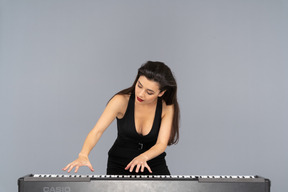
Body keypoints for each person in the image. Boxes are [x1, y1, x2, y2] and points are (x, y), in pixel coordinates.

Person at [63, 61, 180, 175]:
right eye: (139, 86)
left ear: (161, 93)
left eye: (149, 92)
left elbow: (161, 144)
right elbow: (97, 131)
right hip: (120, 164)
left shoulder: (167, 107)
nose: (140, 94)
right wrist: (83, 154)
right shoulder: (120, 101)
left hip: (152, 164)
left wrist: (143, 157)